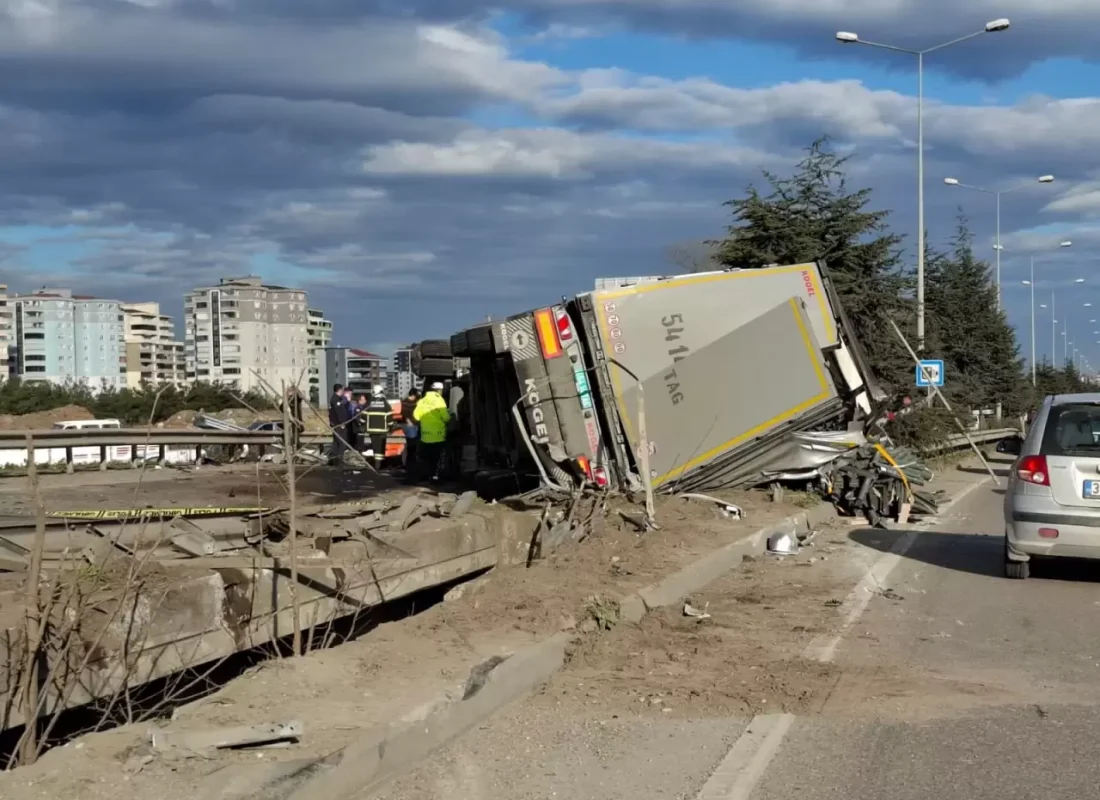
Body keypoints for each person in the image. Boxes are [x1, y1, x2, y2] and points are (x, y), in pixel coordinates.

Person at [413, 381, 450, 481]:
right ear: (439, 390)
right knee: (437, 458)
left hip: (425, 436)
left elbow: (416, 416)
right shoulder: (439, 401)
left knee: (427, 458)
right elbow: (446, 417)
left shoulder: (422, 401)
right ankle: (435, 476)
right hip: (438, 435)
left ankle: (428, 475)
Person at [364, 385, 393, 469]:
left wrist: (361, 424)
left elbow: (363, 415)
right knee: (380, 448)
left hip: (371, 430)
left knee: (375, 446)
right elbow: (389, 417)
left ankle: (376, 464)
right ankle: (378, 465)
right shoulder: (385, 403)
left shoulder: (369, 402)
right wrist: (390, 426)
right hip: (382, 430)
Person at [327, 383, 352, 463]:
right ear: (340, 390)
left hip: (335, 424)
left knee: (336, 442)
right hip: (338, 425)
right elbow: (340, 413)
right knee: (341, 443)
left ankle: (334, 459)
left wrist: (347, 402)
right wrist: (342, 423)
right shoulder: (336, 400)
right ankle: (339, 459)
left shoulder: (336, 399)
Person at [400, 387, 420, 471]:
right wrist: (409, 421)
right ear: (413, 395)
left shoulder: (415, 401)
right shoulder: (405, 402)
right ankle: (409, 464)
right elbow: (404, 413)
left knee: (412, 445)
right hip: (410, 425)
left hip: (414, 424)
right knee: (411, 445)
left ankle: (409, 463)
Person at [280, 385, 304, 454]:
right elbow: (281, 408)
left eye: (291, 391)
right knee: (291, 439)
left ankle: (298, 452)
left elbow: (300, 396)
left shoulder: (297, 400)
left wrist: (296, 389)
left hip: (296, 423)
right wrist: (287, 397)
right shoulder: (286, 402)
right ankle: (294, 452)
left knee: (295, 438)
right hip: (289, 423)